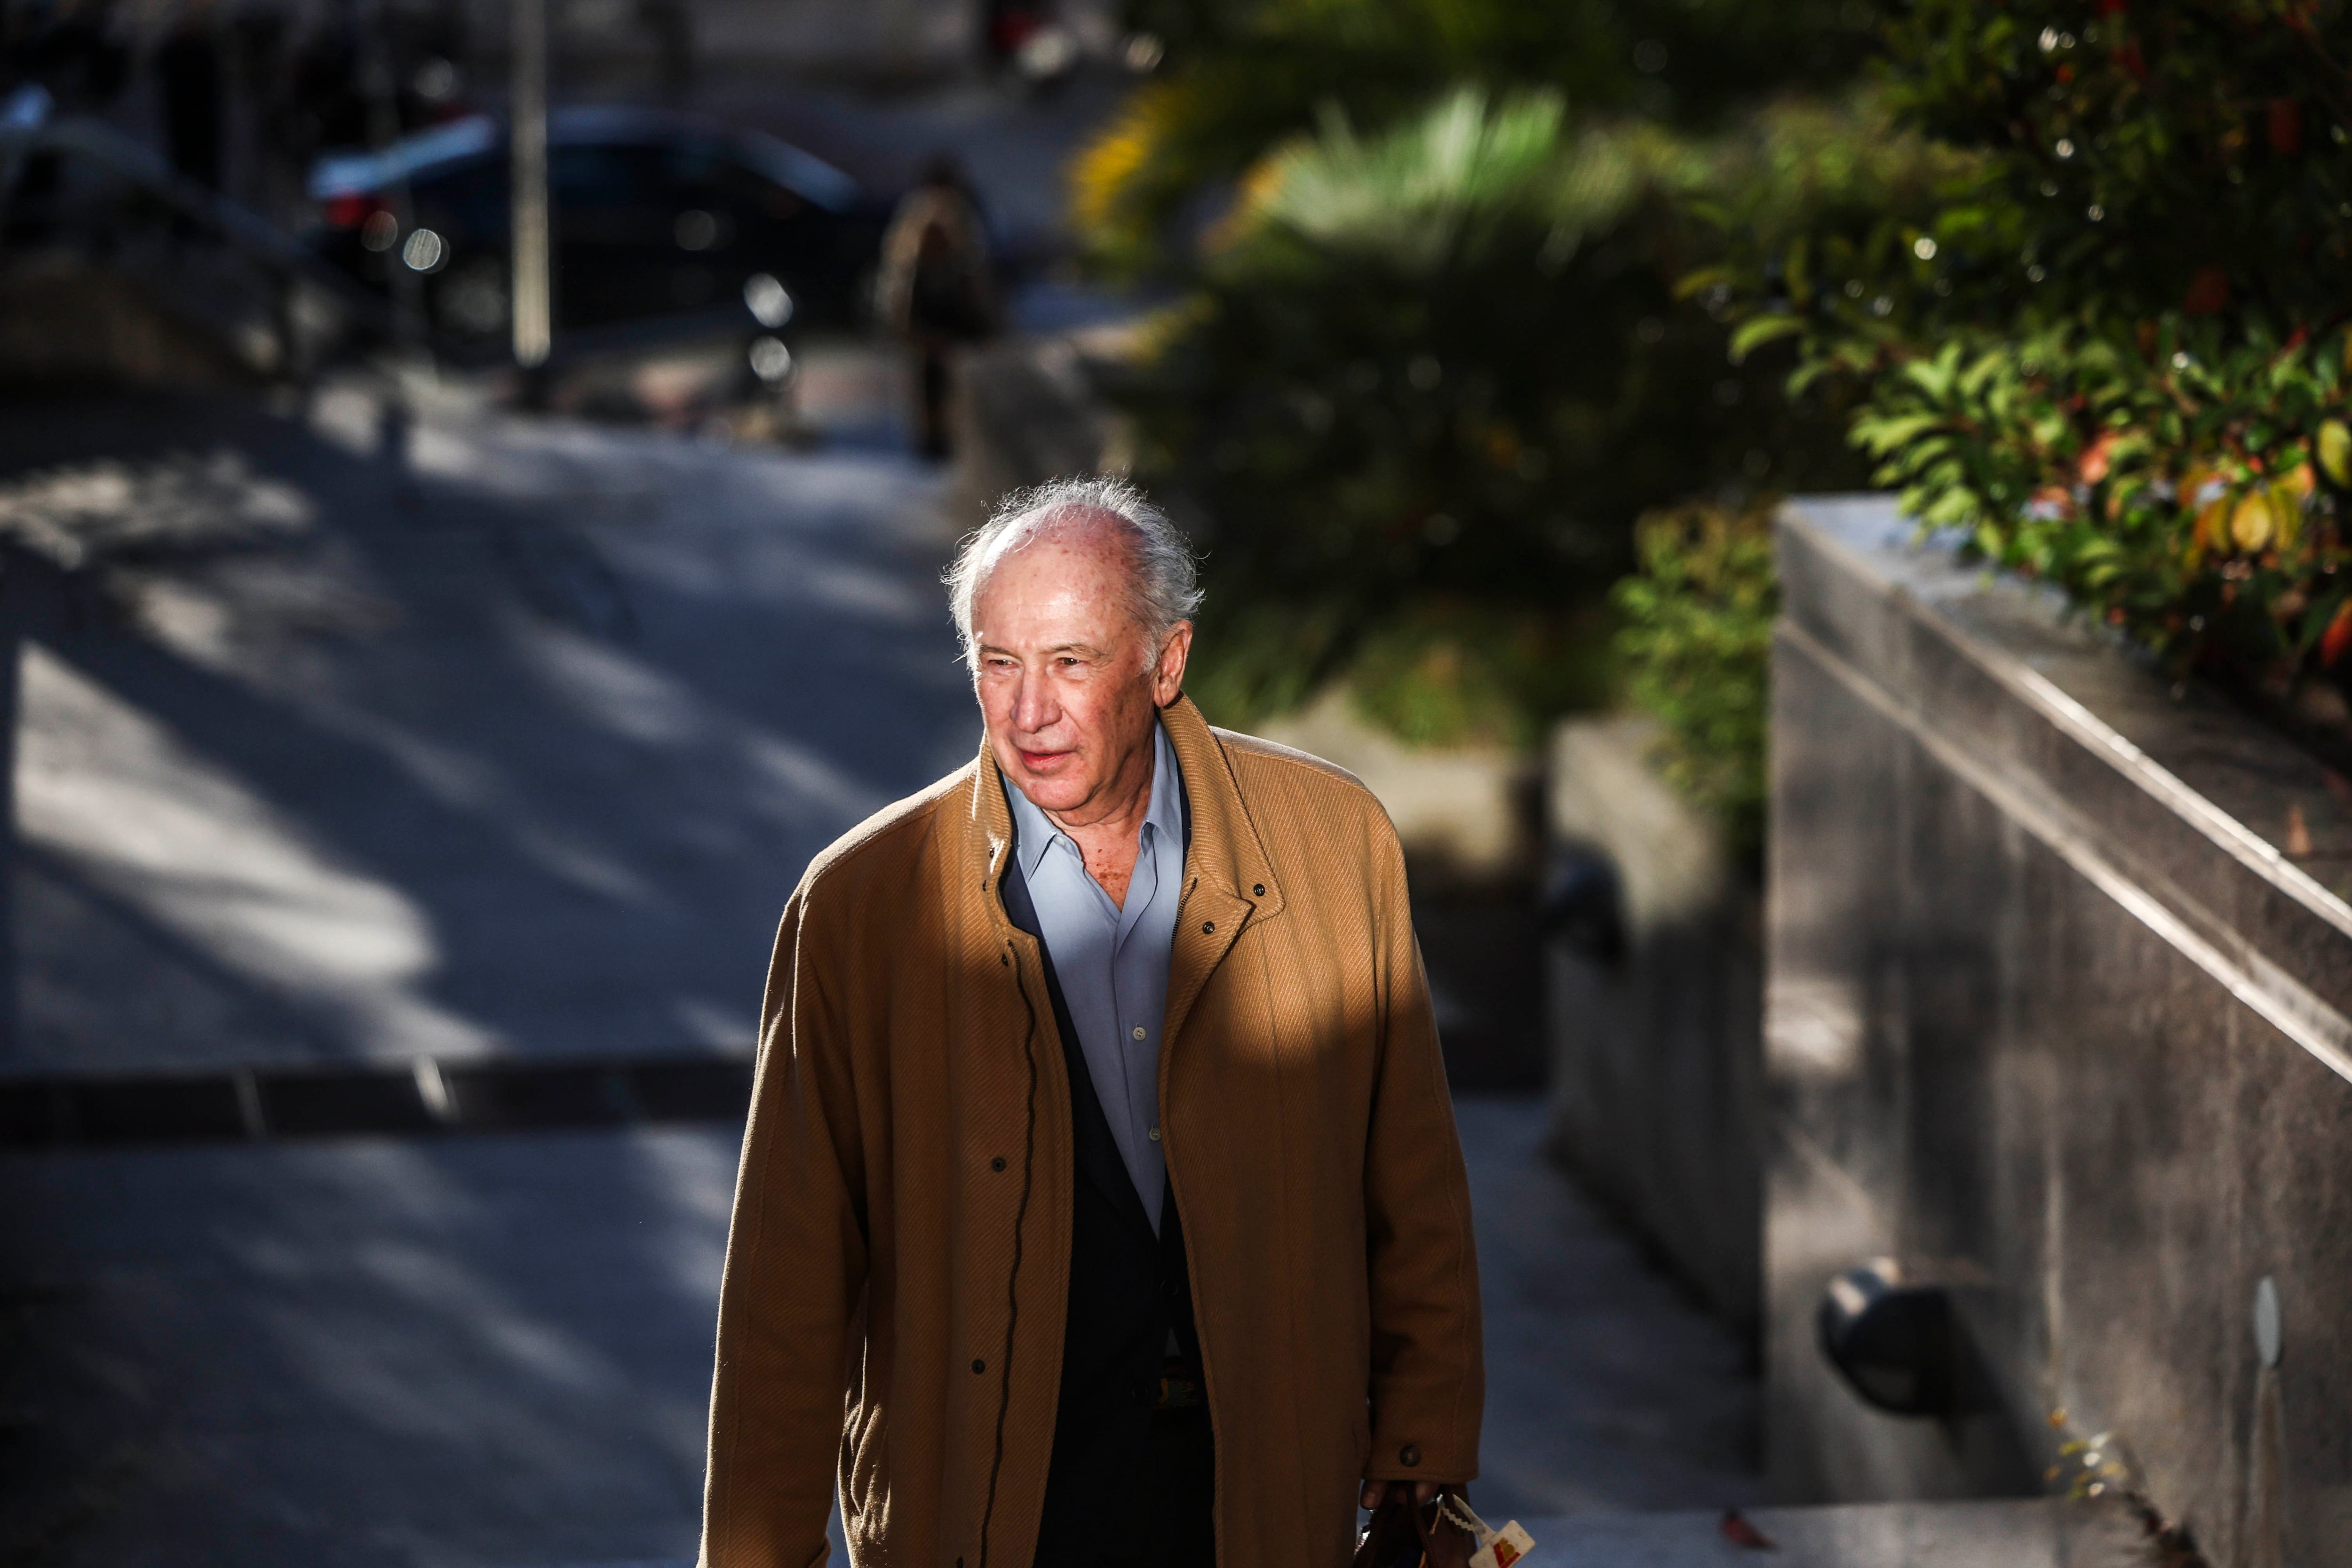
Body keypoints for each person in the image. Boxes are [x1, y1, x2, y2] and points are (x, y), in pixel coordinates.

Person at [700, 476, 1484, 1568]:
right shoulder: (858, 905)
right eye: (998, 661)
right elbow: (787, 1285)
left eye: (1069, 662)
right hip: (989, 1507)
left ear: (1166, 663)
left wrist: (1420, 1458)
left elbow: (1412, 1190)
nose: (1028, 712)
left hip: (1256, 1490)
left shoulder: (1333, 841)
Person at [875, 154, 998, 459]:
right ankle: (931, 436)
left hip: (955, 329)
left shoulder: (961, 226)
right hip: (927, 328)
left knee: (957, 385)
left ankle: (953, 436)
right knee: (927, 381)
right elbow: (900, 290)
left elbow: (978, 294)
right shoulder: (917, 225)